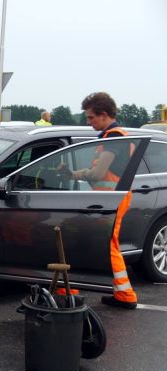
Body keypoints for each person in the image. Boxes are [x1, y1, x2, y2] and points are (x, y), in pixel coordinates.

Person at [61, 92, 137, 309]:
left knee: (107, 245)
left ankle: (124, 296)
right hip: (111, 198)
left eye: (91, 117)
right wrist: (73, 174)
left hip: (111, 199)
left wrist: (78, 174)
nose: (88, 122)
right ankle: (123, 294)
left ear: (104, 115)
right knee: (104, 244)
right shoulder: (116, 136)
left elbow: (98, 173)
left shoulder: (113, 137)